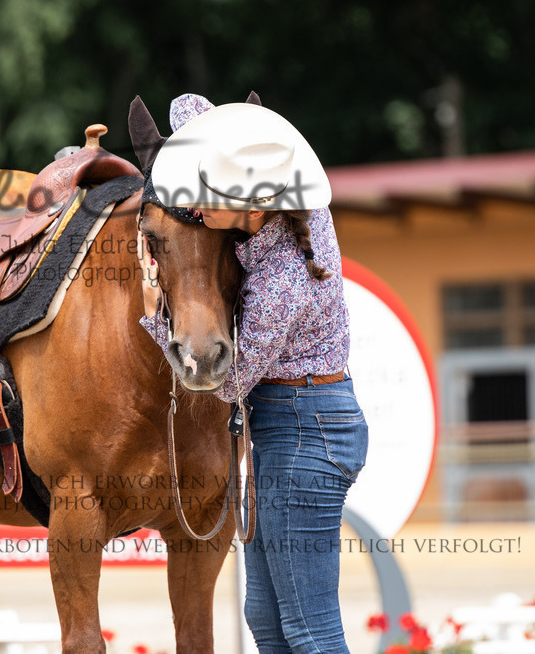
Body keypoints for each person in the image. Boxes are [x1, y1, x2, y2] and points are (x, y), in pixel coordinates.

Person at [138, 93, 369, 653]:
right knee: (265, 616)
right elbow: (188, 107)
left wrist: (153, 316)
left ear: (251, 205)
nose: (199, 215)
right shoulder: (296, 212)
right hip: (292, 425)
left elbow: (226, 385)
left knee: (311, 627)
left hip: (302, 428)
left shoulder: (281, 281)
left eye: (208, 205)